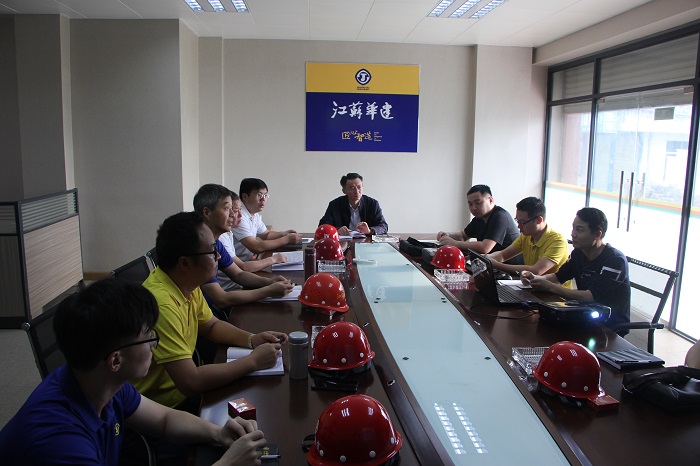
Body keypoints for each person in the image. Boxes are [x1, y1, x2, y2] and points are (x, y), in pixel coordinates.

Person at [0, 278, 266, 466]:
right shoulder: (60, 443)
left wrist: (217, 433)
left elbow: (164, 419)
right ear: (115, 360)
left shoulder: (100, 382)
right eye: (148, 336)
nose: (154, 345)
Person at [132, 211, 287, 410]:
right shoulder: (162, 305)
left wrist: (252, 339)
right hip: (166, 407)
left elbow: (211, 325)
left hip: (185, 391)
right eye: (212, 251)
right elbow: (191, 381)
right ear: (185, 263)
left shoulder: (184, 281)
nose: (218, 256)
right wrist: (253, 361)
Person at [521, 207, 631, 330]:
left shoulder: (615, 260)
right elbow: (557, 277)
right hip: (584, 316)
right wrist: (535, 278)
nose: (573, 234)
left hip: (609, 325)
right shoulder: (578, 253)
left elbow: (591, 297)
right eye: (573, 228)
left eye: (579, 230)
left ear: (597, 234)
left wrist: (550, 287)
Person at [193, 184, 293, 308]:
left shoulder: (215, 242)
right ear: (207, 212)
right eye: (227, 209)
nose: (233, 215)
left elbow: (238, 274)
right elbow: (221, 299)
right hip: (211, 308)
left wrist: (270, 282)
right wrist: (269, 290)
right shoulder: (198, 247)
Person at [436, 184, 521, 262]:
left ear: (490, 200)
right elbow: (462, 235)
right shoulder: (479, 218)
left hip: (508, 268)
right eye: (470, 204)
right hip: (489, 263)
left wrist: (454, 243)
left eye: (478, 203)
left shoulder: (500, 216)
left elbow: (485, 247)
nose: (474, 208)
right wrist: (447, 235)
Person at [487, 197, 569, 275]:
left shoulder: (558, 241)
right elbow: (502, 255)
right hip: (530, 283)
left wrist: (496, 265)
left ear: (539, 220)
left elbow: (536, 271)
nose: (519, 226)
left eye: (522, 222)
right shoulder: (526, 236)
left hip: (551, 285)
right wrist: (485, 258)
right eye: (517, 221)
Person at [232, 178, 302, 261]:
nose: (263, 199)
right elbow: (256, 247)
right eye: (259, 195)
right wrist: (286, 239)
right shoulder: (239, 217)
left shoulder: (254, 214)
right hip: (238, 265)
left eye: (265, 195)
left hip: (249, 261)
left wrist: (284, 233)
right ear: (245, 197)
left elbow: (266, 235)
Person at [318, 172, 388, 236]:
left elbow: (383, 226)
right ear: (344, 191)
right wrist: (337, 230)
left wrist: (370, 230)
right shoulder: (335, 204)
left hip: (366, 242)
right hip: (343, 242)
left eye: (359, 187)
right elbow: (323, 226)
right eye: (352, 188)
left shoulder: (373, 204)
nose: (357, 191)